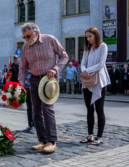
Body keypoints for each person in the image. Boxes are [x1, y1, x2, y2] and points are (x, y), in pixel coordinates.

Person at [19, 23, 68, 153]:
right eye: (24, 37)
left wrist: (55, 69)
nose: (26, 39)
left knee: (47, 109)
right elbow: (23, 67)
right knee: (35, 111)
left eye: (28, 36)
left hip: (49, 79)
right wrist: (20, 84)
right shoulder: (25, 47)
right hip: (34, 79)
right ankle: (42, 140)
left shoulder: (50, 39)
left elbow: (64, 56)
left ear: (36, 32)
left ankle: (52, 141)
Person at [79, 27, 110, 146]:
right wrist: (85, 71)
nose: (88, 39)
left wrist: (87, 71)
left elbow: (101, 64)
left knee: (99, 109)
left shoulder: (103, 46)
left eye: (90, 36)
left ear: (96, 36)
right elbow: (82, 63)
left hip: (99, 82)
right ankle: (90, 135)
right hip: (87, 81)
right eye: (86, 37)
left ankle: (99, 137)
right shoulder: (87, 48)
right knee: (89, 110)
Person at [22, 68, 36, 134]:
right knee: (29, 108)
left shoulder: (36, 65)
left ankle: (35, 126)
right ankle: (30, 125)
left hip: (34, 89)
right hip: (27, 88)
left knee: (34, 108)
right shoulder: (26, 65)